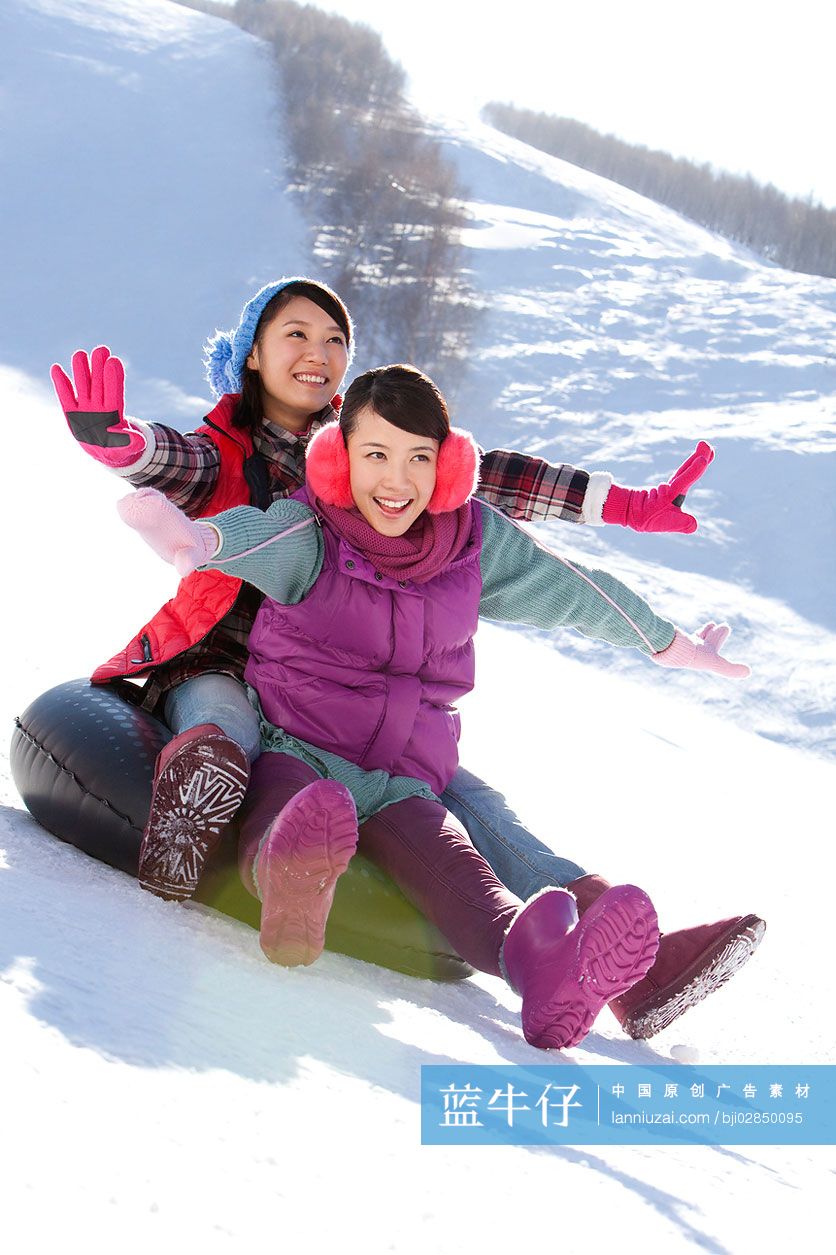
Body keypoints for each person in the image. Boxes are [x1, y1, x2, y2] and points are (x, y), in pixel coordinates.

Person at [50, 278, 759, 1038]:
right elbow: (173, 467)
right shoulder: (252, 463)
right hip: (245, 675)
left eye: (334, 339)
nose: (317, 352)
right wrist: (119, 443)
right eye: (295, 334)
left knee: (479, 808)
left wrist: (629, 507)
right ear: (252, 352)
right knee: (238, 733)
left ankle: (618, 964)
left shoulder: (381, 450)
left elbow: (505, 484)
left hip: (390, 728)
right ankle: (202, 817)